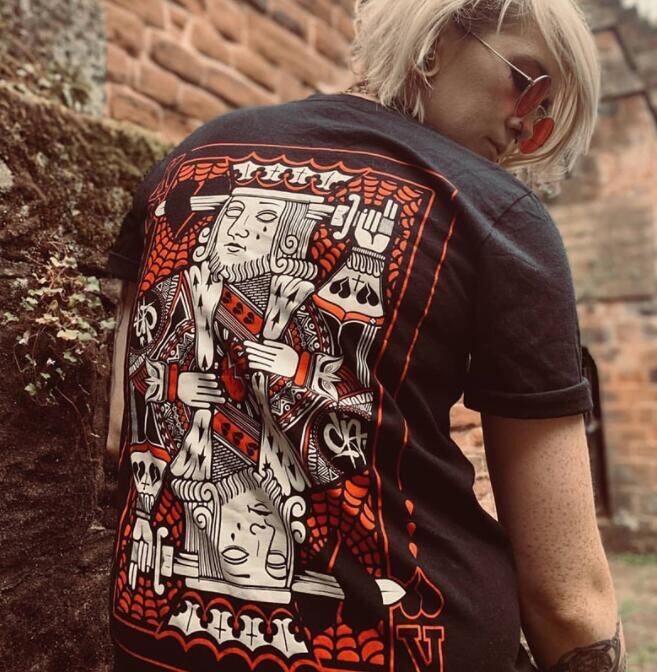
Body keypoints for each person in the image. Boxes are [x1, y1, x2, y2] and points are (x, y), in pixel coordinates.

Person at [105, 0, 626, 670]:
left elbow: (120, 429)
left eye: (549, 114)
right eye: (527, 82)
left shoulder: (188, 162)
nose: (529, 125)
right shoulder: (497, 216)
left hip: (161, 642)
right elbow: (566, 600)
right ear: (434, 40)